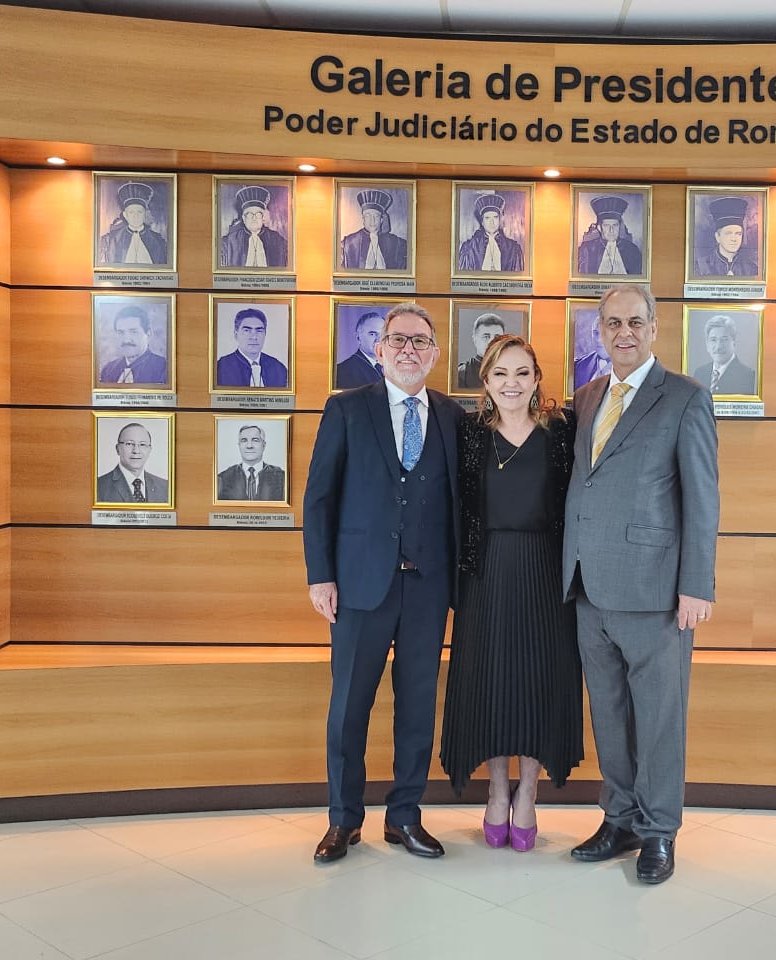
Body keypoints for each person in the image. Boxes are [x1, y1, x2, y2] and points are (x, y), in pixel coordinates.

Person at [563, 283, 719, 885]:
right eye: (612, 323)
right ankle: (620, 818)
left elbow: (702, 498)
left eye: (634, 322)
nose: (623, 333)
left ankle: (659, 831)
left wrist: (696, 585)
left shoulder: (684, 397)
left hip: (656, 591)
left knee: (658, 719)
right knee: (608, 713)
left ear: (654, 328)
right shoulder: (587, 397)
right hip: (589, 587)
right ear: (599, 331)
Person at [302, 301, 463, 865]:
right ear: (379, 348)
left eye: (420, 341)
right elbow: (319, 498)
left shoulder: (453, 416)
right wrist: (320, 575)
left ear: (435, 353)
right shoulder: (347, 409)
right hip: (358, 587)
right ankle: (343, 820)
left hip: (427, 587)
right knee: (349, 706)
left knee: (417, 707)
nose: (408, 350)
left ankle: (404, 817)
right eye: (398, 339)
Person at [440, 335, 583, 852]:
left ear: (537, 378)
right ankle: (497, 790)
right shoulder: (469, 434)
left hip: (545, 572)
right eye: (500, 373)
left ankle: (529, 793)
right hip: (485, 573)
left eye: (522, 373)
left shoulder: (562, 431)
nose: (512, 384)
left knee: (538, 682)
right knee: (491, 683)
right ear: (485, 381)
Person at [98, 181, 169, 266]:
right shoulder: (111, 240)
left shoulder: (158, 240)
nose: (136, 216)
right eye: (131, 212)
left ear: (145, 214)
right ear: (125, 215)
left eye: (139, 212)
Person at [96, 422, 169, 504]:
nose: (136, 451)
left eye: (142, 444)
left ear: (149, 450)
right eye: (129, 444)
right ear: (118, 449)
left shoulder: (165, 486)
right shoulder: (98, 486)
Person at [216, 307, 289, 389]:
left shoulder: (279, 369)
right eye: (247, 330)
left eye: (259, 331)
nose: (254, 337)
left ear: (265, 334)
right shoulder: (220, 368)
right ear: (236, 335)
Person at [219, 185, 289, 269]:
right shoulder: (228, 243)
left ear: (263, 217)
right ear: (243, 218)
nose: (254, 218)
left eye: (258, 214)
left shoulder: (278, 241)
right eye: (249, 214)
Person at [98, 305, 169, 385]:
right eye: (121, 332)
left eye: (133, 332)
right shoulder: (108, 370)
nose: (126, 340)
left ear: (148, 334)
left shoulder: (164, 368)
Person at [340, 189, 408, 270]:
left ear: (381, 220)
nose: (372, 220)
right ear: (363, 218)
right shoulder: (348, 244)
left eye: (376, 216)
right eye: (368, 216)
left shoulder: (397, 243)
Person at [216, 424, 287, 501]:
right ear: (239, 445)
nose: (249, 446)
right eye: (244, 440)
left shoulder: (281, 477)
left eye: (255, 440)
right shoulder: (223, 478)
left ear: (263, 445)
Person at [456, 193, 524, 273]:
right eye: (487, 218)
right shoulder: (469, 248)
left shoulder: (514, 249)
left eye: (495, 217)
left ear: (499, 220)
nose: (492, 222)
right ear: (482, 222)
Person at [576, 195, 643, 275]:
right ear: (599, 227)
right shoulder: (586, 249)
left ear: (619, 226)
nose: (611, 230)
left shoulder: (632, 250)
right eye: (606, 225)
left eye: (615, 225)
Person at [694, 196, 759, 278]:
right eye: (728, 233)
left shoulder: (751, 268)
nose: (734, 239)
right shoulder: (701, 267)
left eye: (738, 234)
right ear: (717, 237)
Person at [690, 315, 756, 395]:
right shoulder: (699, 373)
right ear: (707, 344)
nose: (718, 346)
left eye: (724, 339)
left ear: (734, 342)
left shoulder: (748, 376)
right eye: (713, 340)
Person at [335, 311, 386, 390]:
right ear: (358, 337)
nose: (379, 339)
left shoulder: (393, 367)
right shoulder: (342, 371)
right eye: (372, 334)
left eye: (382, 334)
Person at [455, 313, 506, 390]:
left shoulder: (512, 372)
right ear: (475, 339)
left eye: (497, 337)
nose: (491, 341)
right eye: (486, 337)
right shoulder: (461, 373)